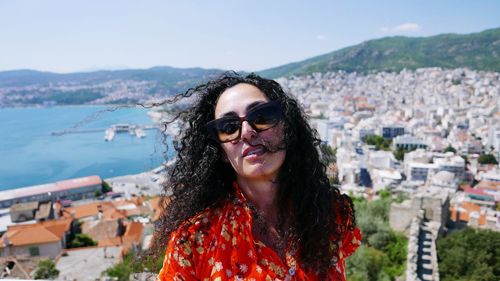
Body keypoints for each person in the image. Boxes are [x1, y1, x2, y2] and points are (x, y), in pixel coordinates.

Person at [154, 73, 361, 280]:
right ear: (221, 152)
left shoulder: (330, 213)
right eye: (229, 127)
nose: (246, 132)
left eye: (261, 117)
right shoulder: (194, 241)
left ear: (286, 128)